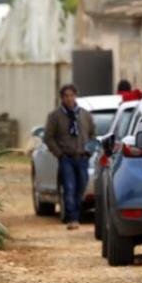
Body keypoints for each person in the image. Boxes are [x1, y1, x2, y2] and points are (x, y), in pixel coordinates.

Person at [44, 84, 96, 230]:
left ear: (75, 96)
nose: (69, 99)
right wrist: (59, 153)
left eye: (71, 95)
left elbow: (92, 134)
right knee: (69, 187)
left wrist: (90, 151)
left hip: (83, 157)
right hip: (66, 157)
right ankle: (72, 218)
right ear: (62, 98)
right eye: (66, 96)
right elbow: (49, 137)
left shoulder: (85, 115)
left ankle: (77, 212)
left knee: (82, 186)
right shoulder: (55, 116)